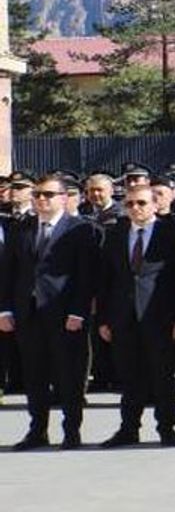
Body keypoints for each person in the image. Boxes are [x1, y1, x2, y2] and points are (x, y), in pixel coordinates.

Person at [0, 174, 98, 450]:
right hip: (28, 314)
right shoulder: (22, 228)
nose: (42, 200)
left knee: (69, 374)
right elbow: (8, 272)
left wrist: (79, 312)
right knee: (34, 374)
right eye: (38, 195)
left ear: (64, 198)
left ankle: (71, 430)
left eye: (48, 195)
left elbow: (85, 275)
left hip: (65, 314)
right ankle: (37, 430)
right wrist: (5, 309)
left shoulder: (79, 229)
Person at [97, 185, 175, 448]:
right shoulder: (116, 233)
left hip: (159, 314)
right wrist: (104, 319)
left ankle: (166, 427)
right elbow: (106, 279)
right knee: (129, 375)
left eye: (141, 203)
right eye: (129, 204)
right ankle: (129, 428)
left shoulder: (172, 233)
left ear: (155, 205)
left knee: (162, 374)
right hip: (123, 315)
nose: (135, 209)